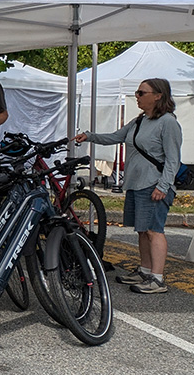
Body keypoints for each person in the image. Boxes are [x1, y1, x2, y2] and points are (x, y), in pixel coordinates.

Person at [74, 78, 182, 294]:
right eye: (137, 92)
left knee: (154, 231)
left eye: (142, 92)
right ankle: (145, 270)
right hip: (136, 183)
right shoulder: (140, 120)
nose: (137, 96)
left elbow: (173, 159)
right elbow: (116, 137)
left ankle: (158, 279)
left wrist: (163, 185)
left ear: (158, 95)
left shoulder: (168, 122)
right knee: (142, 230)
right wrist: (90, 136)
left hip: (153, 184)